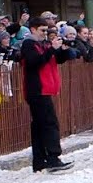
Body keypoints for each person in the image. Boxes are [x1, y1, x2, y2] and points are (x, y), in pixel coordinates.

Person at [20, 16, 74, 172]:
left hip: (43, 89)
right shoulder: (29, 44)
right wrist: (51, 49)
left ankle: (40, 161)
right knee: (49, 123)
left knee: (39, 126)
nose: (45, 33)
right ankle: (52, 158)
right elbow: (34, 62)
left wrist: (62, 51)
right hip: (37, 90)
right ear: (33, 29)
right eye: (42, 30)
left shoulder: (41, 44)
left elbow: (56, 60)